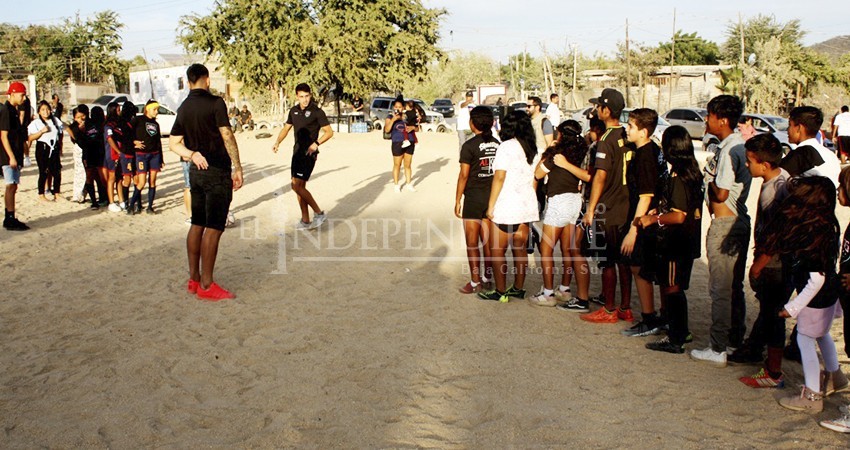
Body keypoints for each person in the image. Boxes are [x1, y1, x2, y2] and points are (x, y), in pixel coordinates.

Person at [757, 176, 841, 412]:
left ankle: (812, 395)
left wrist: (793, 307)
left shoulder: (811, 234)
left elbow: (816, 278)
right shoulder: (828, 225)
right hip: (828, 292)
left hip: (815, 294)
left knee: (805, 338)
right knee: (822, 334)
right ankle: (835, 376)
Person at [169, 63, 244, 300]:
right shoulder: (215, 103)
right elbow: (227, 134)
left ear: (189, 82)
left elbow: (173, 143)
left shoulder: (183, 108)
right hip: (216, 171)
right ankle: (207, 284)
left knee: (197, 223)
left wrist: (191, 154)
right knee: (214, 227)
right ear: (207, 80)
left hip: (196, 172)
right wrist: (237, 166)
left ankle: (193, 279)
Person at [690, 95, 751, 367]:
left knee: (721, 289)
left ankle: (718, 347)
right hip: (737, 221)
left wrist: (709, 180)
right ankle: (734, 338)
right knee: (734, 287)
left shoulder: (728, 150)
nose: (706, 120)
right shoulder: (737, 145)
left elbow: (722, 190)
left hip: (725, 223)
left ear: (722, 120)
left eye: (710, 116)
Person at [642, 126, 704, 353]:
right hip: (687, 241)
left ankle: (675, 338)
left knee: (672, 289)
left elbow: (678, 216)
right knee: (675, 288)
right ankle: (681, 331)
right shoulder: (692, 172)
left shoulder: (679, 176)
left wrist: (654, 219)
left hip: (675, 242)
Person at [735, 134, 792, 383]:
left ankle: (773, 372)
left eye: (750, 161)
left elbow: (776, 234)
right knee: (770, 311)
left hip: (774, 263)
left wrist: (759, 264)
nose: (747, 166)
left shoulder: (774, 191)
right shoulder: (782, 179)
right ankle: (760, 354)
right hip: (777, 261)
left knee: (774, 315)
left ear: (764, 165)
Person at [580, 88, 635, 324]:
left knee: (607, 260)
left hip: (609, 206)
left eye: (598, 106)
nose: (595, 110)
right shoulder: (627, 135)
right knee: (623, 260)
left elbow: (600, 176)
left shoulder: (605, 140)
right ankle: (625, 307)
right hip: (627, 205)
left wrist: (591, 210)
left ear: (606, 110)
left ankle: (609, 308)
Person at [477, 110, 540, 302]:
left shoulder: (506, 147)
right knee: (520, 250)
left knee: (497, 250)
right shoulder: (532, 148)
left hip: (508, 203)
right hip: (526, 203)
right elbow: (535, 178)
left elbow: (499, 176)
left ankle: (501, 291)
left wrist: (491, 206)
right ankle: (518, 288)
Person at [529, 120, 590, 307]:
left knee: (546, 249)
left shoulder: (556, 154)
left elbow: (538, 173)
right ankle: (564, 289)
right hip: (574, 201)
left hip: (559, 201)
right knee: (567, 249)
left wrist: (549, 149)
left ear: (561, 134)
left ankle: (548, 293)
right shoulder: (580, 150)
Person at [620, 108, 668, 337]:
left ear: (644, 131)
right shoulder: (647, 149)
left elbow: (646, 195)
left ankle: (649, 318)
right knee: (640, 267)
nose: (627, 129)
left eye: (631, 126)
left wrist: (633, 229)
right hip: (647, 218)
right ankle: (658, 315)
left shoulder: (646, 156)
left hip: (645, 220)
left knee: (639, 268)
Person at [272, 83, 333, 229]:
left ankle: (319, 213)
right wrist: (277, 142)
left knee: (295, 186)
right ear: (297, 96)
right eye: (301, 97)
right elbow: (286, 128)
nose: (305, 99)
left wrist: (316, 144)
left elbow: (329, 132)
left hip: (308, 153)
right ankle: (305, 220)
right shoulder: (293, 111)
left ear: (310, 95)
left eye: (307, 96)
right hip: (297, 152)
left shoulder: (317, 112)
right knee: (299, 185)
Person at [455, 106, 500, 294]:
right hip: (492, 198)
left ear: (473, 123)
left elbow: (464, 175)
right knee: (488, 243)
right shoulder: (497, 144)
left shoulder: (469, 146)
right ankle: (488, 278)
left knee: (472, 243)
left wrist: (457, 199)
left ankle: (475, 282)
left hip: (473, 198)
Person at [781, 106, 840, 187]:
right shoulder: (831, 156)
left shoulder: (800, 155)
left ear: (799, 128)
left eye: (790, 125)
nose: (787, 130)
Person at [1, 81, 30, 230]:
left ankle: (10, 215)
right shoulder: (6, 110)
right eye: (22, 94)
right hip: (8, 155)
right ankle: (9, 217)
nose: (23, 98)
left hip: (16, 153)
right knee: (10, 185)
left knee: (14, 186)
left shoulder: (14, 110)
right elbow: (4, 136)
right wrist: (11, 156)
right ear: (12, 93)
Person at [130, 100, 164, 214]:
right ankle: (131, 205)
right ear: (147, 109)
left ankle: (150, 206)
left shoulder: (156, 124)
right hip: (141, 155)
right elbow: (127, 133)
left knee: (153, 181)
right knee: (141, 181)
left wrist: (161, 159)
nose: (156, 112)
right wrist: (134, 142)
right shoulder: (138, 120)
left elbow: (158, 142)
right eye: (154, 109)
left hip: (155, 155)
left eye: (157, 109)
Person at [27, 100, 64, 202]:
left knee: (57, 172)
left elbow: (60, 134)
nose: (46, 112)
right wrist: (41, 132)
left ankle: (57, 193)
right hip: (42, 148)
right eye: (43, 110)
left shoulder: (55, 120)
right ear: (39, 112)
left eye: (47, 109)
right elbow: (30, 137)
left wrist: (60, 147)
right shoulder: (36, 123)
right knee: (43, 172)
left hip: (54, 148)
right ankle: (41, 194)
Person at [384, 96, 417, 193]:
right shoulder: (389, 117)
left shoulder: (408, 116)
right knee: (397, 164)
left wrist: (412, 128)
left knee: (408, 164)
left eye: (400, 107)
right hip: (397, 142)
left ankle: (408, 184)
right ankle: (396, 184)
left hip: (410, 141)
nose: (398, 108)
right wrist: (394, 119)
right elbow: (387, 129)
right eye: (396, 107)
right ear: (393, 107)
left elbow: (417, 127)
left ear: (403, 108)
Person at [103, 101, 123, 212]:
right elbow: (110, 139)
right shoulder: (108, 126)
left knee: (119, 178)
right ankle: (111, 202)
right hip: (112, 155)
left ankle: (121, 200)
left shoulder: (118, 124)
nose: (120, 112)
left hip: (120, 154)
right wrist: (118, 151)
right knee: (112, 178)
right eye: (118, 110)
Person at [118, 102, 138, 211]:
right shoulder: (122, 123)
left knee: (135, 178)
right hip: (127, 153)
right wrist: (133, 142)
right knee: (127, 179)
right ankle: (125, 201)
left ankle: (135, 201)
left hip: (134, 153)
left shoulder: (133, 121)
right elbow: (123, 139)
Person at [68, 106, 87, 202]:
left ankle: (84, 193)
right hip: (79, 149)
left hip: (88, 150)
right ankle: (78, 194)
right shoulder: (73, 127)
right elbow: (74, 138)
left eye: (82, 116)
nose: (81, 119)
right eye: (78, 117)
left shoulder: (89, 124)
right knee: (79, 172)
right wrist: (80, 130)